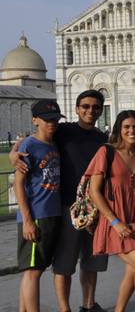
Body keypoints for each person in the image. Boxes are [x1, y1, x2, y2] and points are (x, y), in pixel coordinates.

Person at [10, 90, 110, 312]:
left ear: (101, 110)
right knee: (62, 265)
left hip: (93, 209)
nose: (90, 110)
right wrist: (14, 153)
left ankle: (88, 304)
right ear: (76, 109)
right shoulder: (63, 131)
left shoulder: (103, 139)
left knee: (91, 261)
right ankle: (64, 308)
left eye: (95, 107)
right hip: (64, 208)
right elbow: (31, 140)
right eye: (85, 106)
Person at [87, 110, 135, 312]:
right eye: (126, 127)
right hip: (114, 221)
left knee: (132, 270)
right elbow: (94, 191)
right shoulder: (106, 152)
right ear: (119, 129)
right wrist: (115, 222)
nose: (132, 130)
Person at [14, 100, 64, 312]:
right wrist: (27, 220)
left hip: (52, 213)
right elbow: (18, 184)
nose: (51, 123)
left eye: (54, 119)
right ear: (35, 120)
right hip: (36, 215)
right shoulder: (29, 146)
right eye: (46, 120)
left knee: (36, 268)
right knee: (33, 270)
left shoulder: (53, 143)